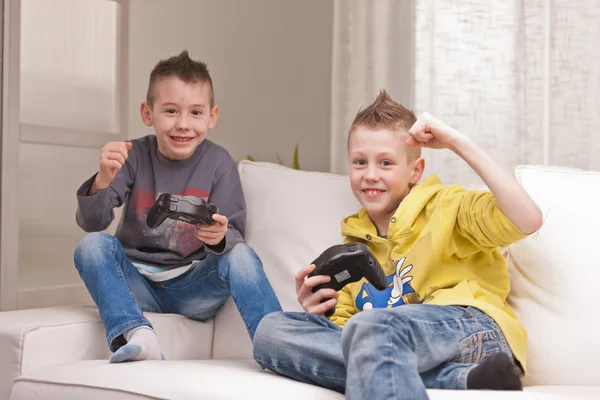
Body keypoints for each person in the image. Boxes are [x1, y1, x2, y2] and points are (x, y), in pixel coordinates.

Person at [252, 90, 543, 399]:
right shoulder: (352, 247)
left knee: (370, 329)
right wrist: (318, 316)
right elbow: (346, 337)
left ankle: (447, 372)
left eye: (386, 163)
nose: (371, 175)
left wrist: (457, 142)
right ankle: (459, 380)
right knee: (270, 333)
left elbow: (528, 220)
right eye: (360, 162)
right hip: (391, 342)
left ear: (415, 171)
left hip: (470, 330)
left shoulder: (447, 207)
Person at [74, 50, 281, 363]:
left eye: (196, 113)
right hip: (137, 284)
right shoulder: (134, 156)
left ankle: (280, 343)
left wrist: (220, 238)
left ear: (211, 117)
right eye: (171, 111)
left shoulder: (219, 163)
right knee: (91, 246)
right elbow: (92, 222)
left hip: (193, 288)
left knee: (240, 255)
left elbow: (234, 235)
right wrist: (103, 179)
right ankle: (139, 335)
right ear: (148, 113)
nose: (183, 124)